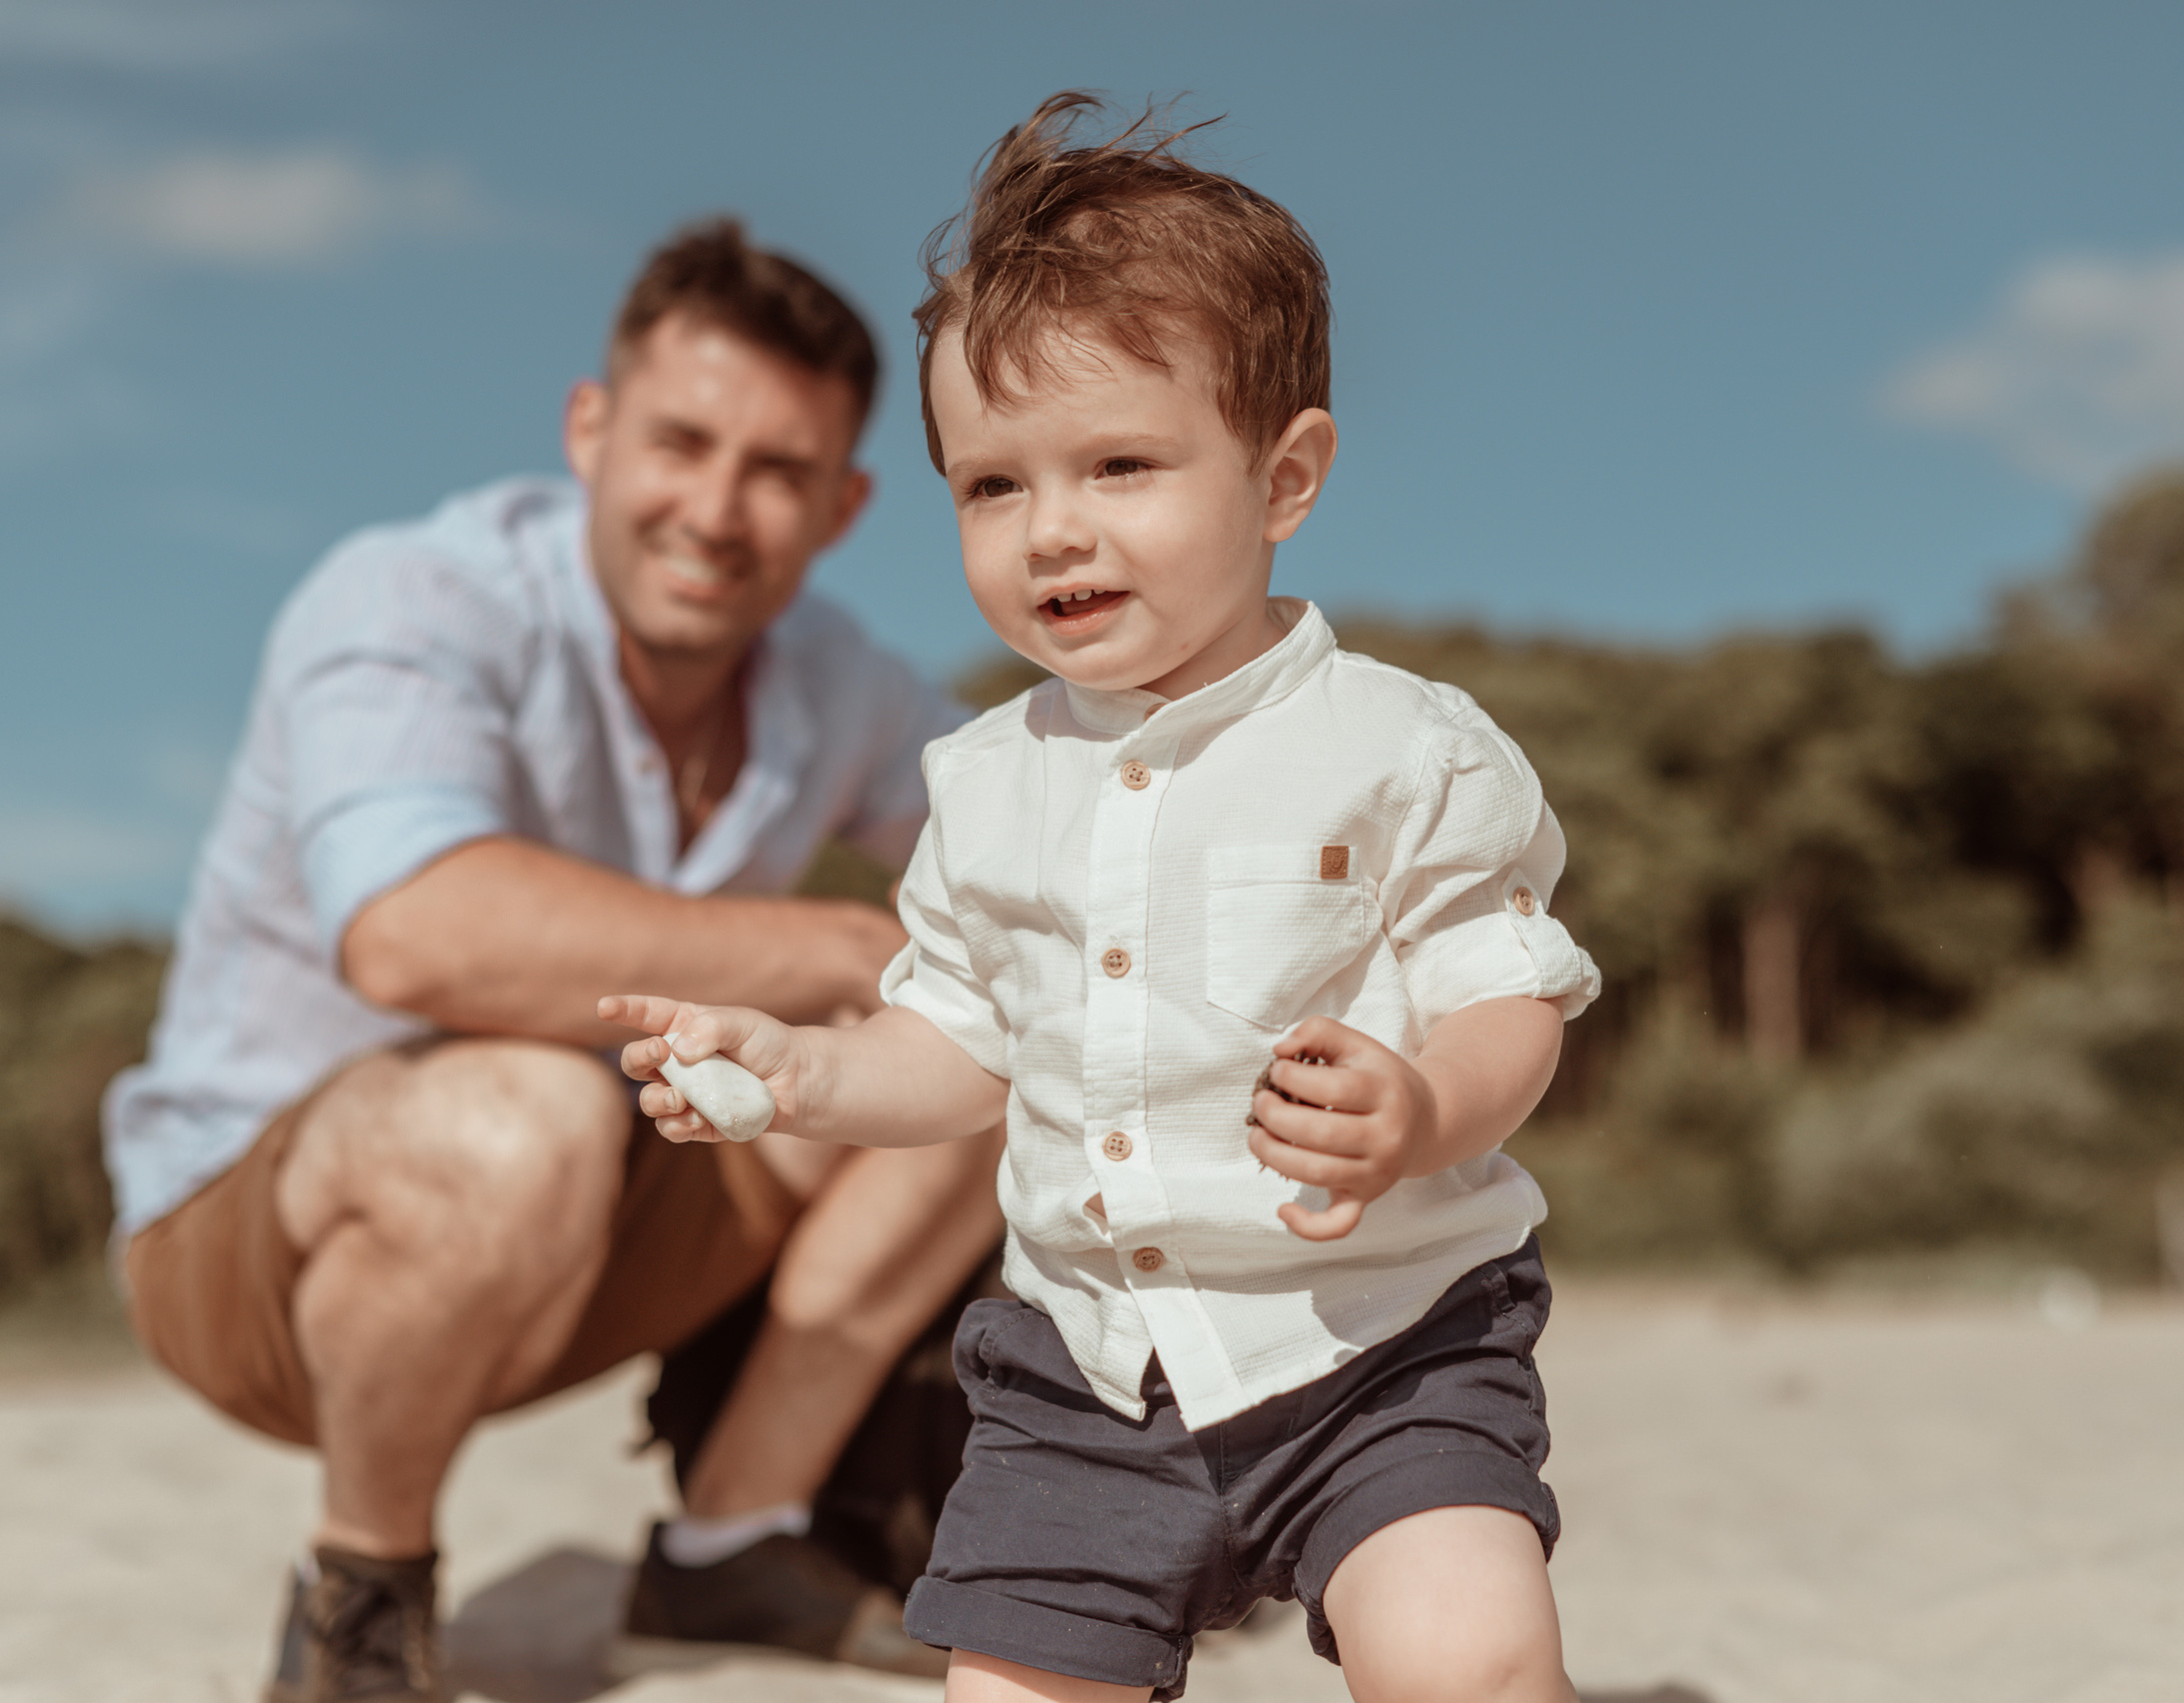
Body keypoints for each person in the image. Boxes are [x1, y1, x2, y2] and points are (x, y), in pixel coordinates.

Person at [603, 94, 1602, 1703]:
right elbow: (954, 1043)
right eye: (992, 486)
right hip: (1083, 1372)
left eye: (1122, 464)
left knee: (1468, 1656)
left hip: (1384, 1346)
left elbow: (1510, 997)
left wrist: (1421, 1108)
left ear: (1286, 477)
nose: (1053, 527)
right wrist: (800, 1069)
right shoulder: (984, 783)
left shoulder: (1401, 748)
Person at [101, 220, 1005, 1703]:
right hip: (265, 1234)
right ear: (591, 430)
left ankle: (732, 1542)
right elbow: (415, 932)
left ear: (843, 506)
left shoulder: (836, 676)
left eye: (777, 473)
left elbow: (1036, 846)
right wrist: (843, 944)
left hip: (607, 1201)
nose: (716, 510)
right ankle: (363, 1600)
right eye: (681, 442)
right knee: (523, 1114)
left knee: (996, 1026)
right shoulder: (413, 596)